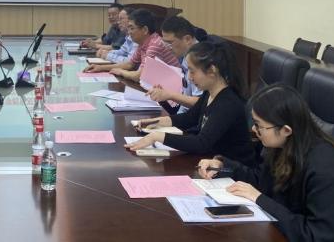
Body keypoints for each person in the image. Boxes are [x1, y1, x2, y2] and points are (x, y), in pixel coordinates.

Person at [198, 84, 334, 242]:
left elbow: (317, 235)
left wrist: (260, 199)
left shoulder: (326, 170)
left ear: (286, 130)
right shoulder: (284, 146)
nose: (254, 129)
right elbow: (263, 181)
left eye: (259, 125)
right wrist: (223, 165)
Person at [126, 39, 255, 166]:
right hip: (210, 161)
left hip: (232, 170)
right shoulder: (209, 92)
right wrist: (155, 122)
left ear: (212, 70)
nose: (189, 77)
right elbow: (189, 118)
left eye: (192, 71)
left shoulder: (228, 104)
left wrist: (157, 137)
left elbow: (201, 143)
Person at [84, 9, 179, 81]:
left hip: (173, 88)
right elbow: (130, 64)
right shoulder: (143, 43)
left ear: (145, 30)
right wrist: (100, 68)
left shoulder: (154, 45)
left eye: (132, 28)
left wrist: (121, 72)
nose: (129, 32)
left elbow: (140, 76)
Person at [147, 15, 205, 112]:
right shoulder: (185, 55)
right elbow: (186, 97)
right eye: (165, 43)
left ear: (187, 39)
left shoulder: (201, 58)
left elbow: (202, 103)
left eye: (170, 42)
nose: (167, 47)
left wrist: (170, 95)